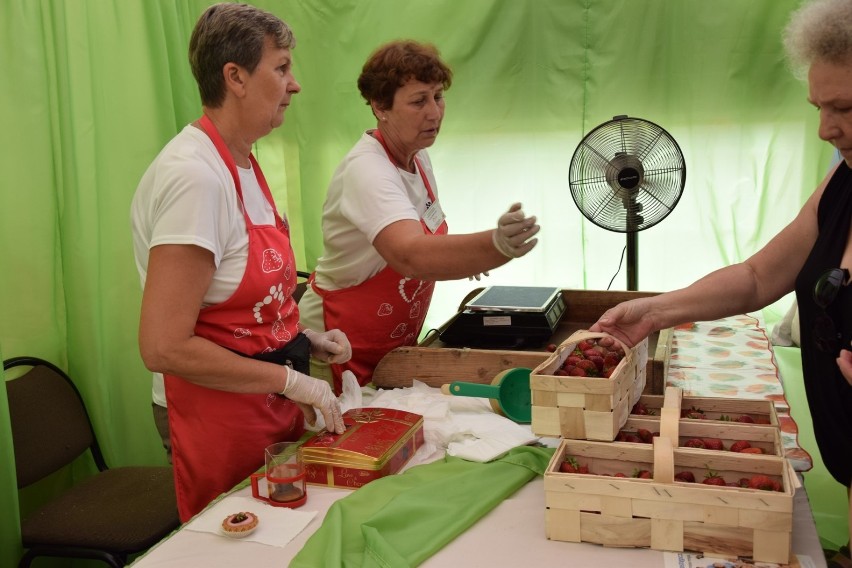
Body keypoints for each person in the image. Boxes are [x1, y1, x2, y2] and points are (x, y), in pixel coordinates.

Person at [590, 0, 851, 556]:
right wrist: (656, 309)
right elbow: (759, 277)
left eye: (846, 108)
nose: (827, 129)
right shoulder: (841, 188)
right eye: (819, 107)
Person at [130, 3, 350, 522]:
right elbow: (164, 345)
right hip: (213, 414)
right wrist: (292, 382)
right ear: (236, 77)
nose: (294, 84)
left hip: (259, 403)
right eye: (281, 67)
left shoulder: (242, 161)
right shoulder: (196, 177)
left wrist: (302, 341)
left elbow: (240, 298)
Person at [298, 40, 540, 392]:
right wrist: (495, 245)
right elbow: (409, 254)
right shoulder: (367, 170)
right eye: (418, 101)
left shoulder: (417, 158)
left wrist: (468, 257)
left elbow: (429, 238)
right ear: (380, 106)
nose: (435, 112)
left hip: (389, 347)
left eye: (438, 96)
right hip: (332, 349)